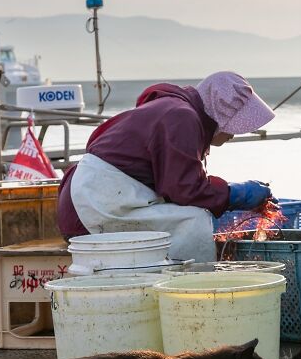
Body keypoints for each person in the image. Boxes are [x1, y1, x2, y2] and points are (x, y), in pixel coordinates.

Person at [57, 72, 275, 263]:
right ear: (221, 112)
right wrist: (234, 193)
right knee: (194, 220)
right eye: (234, 124)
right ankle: (192, 293)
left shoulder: (171, 109)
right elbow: (185, 190)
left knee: (190, 214)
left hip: (88, 198)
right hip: (94, 208)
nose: (233, 134)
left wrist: (227, 192)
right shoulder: (182, 117)